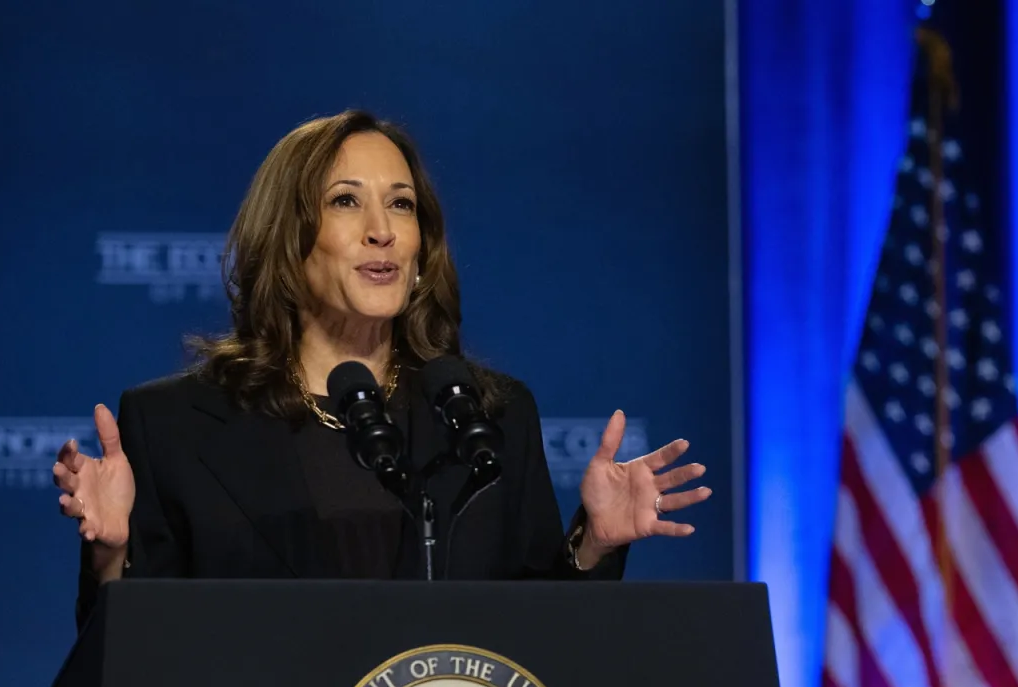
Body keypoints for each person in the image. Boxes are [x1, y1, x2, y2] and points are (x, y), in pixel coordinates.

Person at [53, 110, 711, 626]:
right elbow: (134, 668)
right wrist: (111, 554)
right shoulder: (175, 425)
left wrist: (593, 545)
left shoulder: (490, 417)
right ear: (288, 237)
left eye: (401, 204)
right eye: (345, 201)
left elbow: (536, 643)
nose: (382, 230)